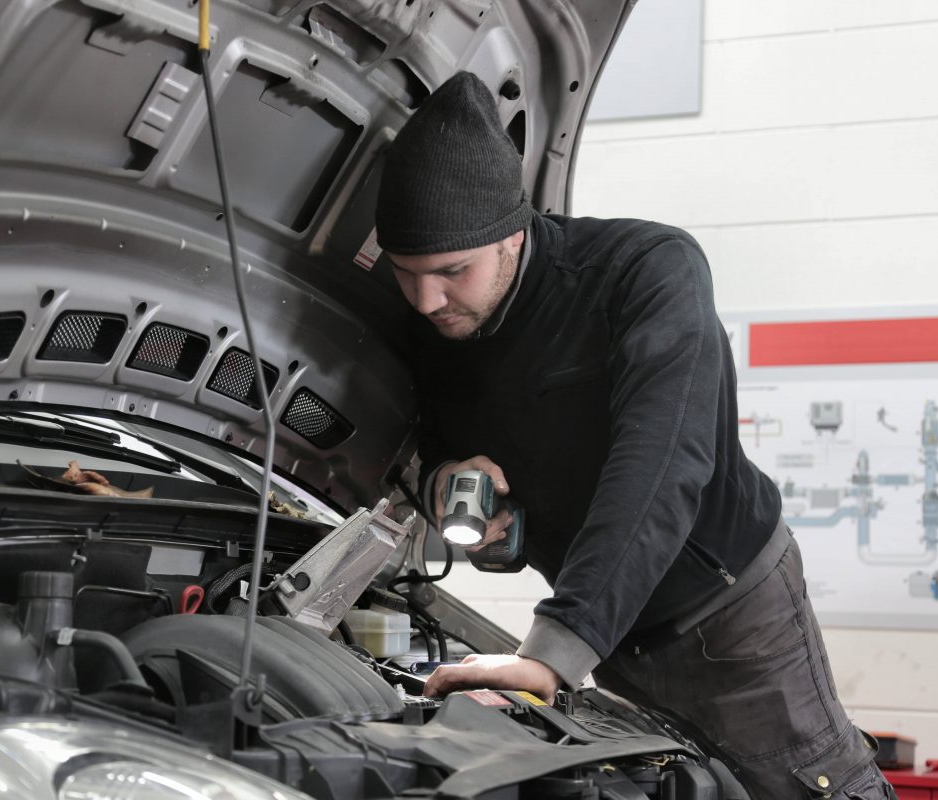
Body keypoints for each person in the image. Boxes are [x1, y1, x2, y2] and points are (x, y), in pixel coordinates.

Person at [374, 71, 893, 800]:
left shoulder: (645, 272)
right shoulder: (431, 324)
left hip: (730, 617)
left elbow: (661, 464)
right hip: (609, 634)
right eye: (406, 274)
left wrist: (553, 652)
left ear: (514, 233)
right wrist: (446, 490)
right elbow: (416, 441)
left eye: (452, 272)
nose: (427, 300)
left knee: (809, 788)